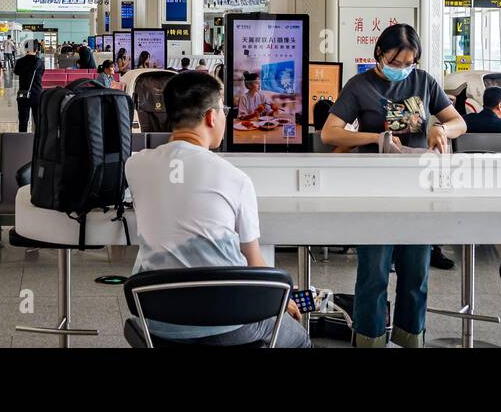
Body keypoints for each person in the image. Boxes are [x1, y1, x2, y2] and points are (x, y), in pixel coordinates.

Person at [124, 71, 310, 347]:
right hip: (230, 322)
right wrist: (282, 300)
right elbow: (255, 262)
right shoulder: (235, 179)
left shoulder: (135, 165)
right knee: (299, 338)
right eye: (223, 110)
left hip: (157, 322)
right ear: (211, 117)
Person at [320, 24, 467, 347]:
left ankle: (409, 339)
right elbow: (329, 133)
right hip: (375, 191)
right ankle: (369, 339)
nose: (402, 69)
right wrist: (375, 138)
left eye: (408, 63)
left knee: (416, 276)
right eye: (395, 62)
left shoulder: (424, 82)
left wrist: (441, 128)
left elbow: (459, 122)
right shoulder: (360, 86)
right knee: (373, 274)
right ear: (379, 54)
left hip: (418, 191)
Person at [13, 40, 45, 133]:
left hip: (23, 93)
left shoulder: (20, 61)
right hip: (36, 94)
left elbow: (16, 72)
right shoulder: (39, 62)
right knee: (38, 120)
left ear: (26, 49)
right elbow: (42, 74)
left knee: (23, 121)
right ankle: (38, 142)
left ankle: (22, 141)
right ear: (36, 49)